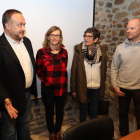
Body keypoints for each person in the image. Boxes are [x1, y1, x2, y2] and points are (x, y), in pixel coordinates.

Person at [0, 9, 37, 140]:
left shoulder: (26, 41)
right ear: (7, 26)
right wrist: (5, 100)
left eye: (24, 25)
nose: (23, 28)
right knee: (9, 132)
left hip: (27, 94)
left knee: (24, 125)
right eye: (20, 25)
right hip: (9, 99)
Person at [36, 26, 68, 140]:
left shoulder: (64, 52)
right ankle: (51, 132)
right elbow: (38, 70)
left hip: (61, 87)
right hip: (47, 88)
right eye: (52, 35)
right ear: (48, 37)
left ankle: (58, 130)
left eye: (57, 35)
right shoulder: (41, 52)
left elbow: (64, 68)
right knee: (49, 111)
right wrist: (48, 79)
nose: (55, 37)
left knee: (60, 111)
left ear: (60, 38)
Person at [70, 27, 107, 122]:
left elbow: (104, 70)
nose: (86, 38)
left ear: (96, 39)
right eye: (85, 36)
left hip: (96, 86)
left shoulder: (102, 52)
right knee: (83, 108)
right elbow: (74, 71)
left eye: (89, 36)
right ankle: (82, 129)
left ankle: (93, 129)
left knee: (94, 109)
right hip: (83, 86)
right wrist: (73, 88)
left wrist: (103, 86)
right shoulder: (79, 51)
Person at [111, 18, 140, 137]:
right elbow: (113, 67)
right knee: (123, 114)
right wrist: (115, 85)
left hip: (139, 89)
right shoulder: (120, 48)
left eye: (132, 28)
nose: (128, 30)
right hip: (122, 88)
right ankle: (124, 136)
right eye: (127, 28)